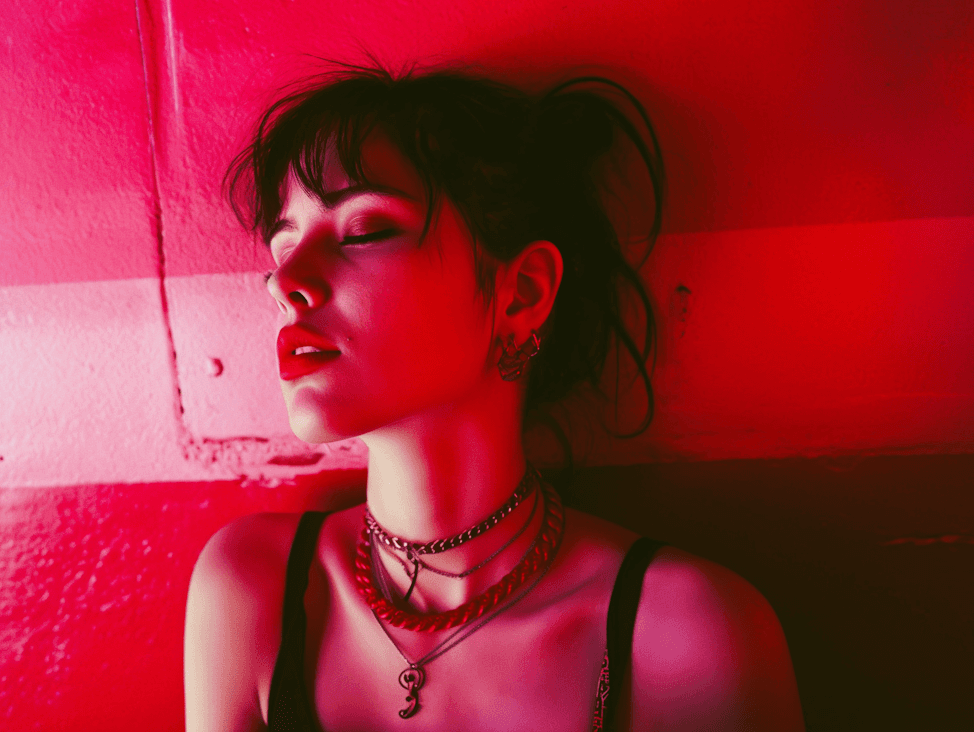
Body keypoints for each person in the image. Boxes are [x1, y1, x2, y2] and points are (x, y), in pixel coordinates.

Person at [183, 64, 805, 731]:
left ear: (524, 292)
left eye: (363, 230)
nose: (286, 282)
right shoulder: (255, 589)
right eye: (284, 244)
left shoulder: (688, 632)